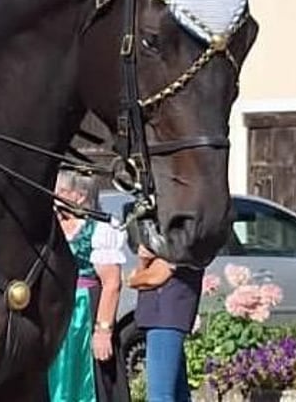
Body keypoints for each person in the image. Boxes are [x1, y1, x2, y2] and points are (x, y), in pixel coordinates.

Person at [48, 169, 130, 402]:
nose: (54, 196)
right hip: (54, 313)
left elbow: (112, 283)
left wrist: (103, 330)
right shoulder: (50, 227)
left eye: (61, 192)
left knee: (88, 378)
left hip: (83, 310)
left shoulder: (98, 229)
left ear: (80, 196)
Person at [129, 245, 204, 402]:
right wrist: (143, 265)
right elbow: (142, 278)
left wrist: (139, 273)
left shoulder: (178, 242)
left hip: (166, 313)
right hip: (165, 312)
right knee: (178, 393)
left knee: (160, 395)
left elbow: (153, 277)